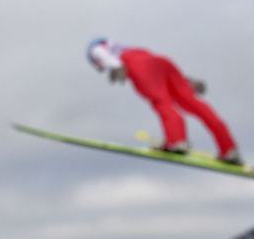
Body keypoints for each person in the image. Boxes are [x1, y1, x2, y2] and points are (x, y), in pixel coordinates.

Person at [87, 38, 243, 165]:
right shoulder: (123, 47)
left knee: (161, 101)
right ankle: (229, 149)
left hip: (141, 68)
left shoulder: (98, 48)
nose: (100, 69)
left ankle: (177, 141)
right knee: (193, 103)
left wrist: (115, 66)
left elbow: (101, 53)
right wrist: (184, 81)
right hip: (162, 62)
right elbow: (155, 66)